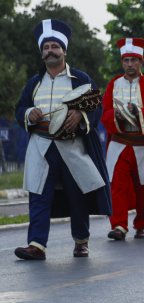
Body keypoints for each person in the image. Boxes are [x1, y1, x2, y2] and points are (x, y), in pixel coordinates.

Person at [13, 19, 111, 260]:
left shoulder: (80, 79)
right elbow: (20, 108)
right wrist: (28, 113)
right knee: (38, 196)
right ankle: (36, 244)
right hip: (41, 147)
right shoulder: (34, 84)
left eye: (55, 46)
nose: (50, 51)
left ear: (64, 50)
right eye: (46, 47)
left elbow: (96, 109)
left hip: (72, 148)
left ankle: (81, 241)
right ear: (42, 53)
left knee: (76, 196)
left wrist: (80, 114)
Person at [103, 38, 144, 240]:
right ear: (122, 62)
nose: (130, 64)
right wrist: (115, 115)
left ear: (141, 62)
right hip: (119, 143)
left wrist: (136, 111)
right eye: (126, 60)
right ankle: (119, 226)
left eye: (134, 60)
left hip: (142, 144)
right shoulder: (113, 84)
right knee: (117, 185)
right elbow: (105, 111)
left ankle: (141, 224)